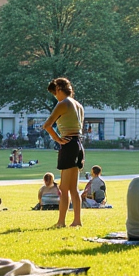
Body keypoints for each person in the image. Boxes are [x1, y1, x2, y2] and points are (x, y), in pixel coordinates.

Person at [41, 77, 84, 228]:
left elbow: (47, 125)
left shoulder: (63, 103)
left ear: (59, 88)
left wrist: (58, 139)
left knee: (64, 188)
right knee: (74, 188)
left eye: (55, 93)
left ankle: (61, 222)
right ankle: (77, 221)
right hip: (78, 145)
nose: (55, 96)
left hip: (68, 145)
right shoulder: (78, 105)